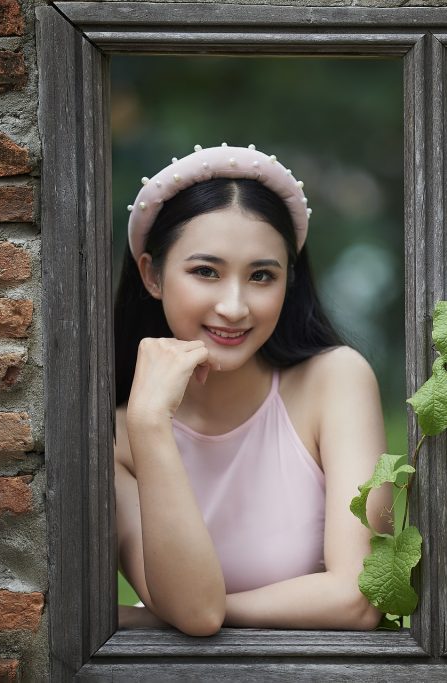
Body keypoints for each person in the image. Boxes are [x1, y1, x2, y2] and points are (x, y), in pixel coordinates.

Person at [113, 143, 392, 635]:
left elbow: (362, 596)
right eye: (206, 272)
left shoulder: (335, 382)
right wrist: (149, 422)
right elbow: (196, 615)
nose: (235, 306)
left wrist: (157, 618)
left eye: (262, 275)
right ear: (151, 274)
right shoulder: (120, 430)